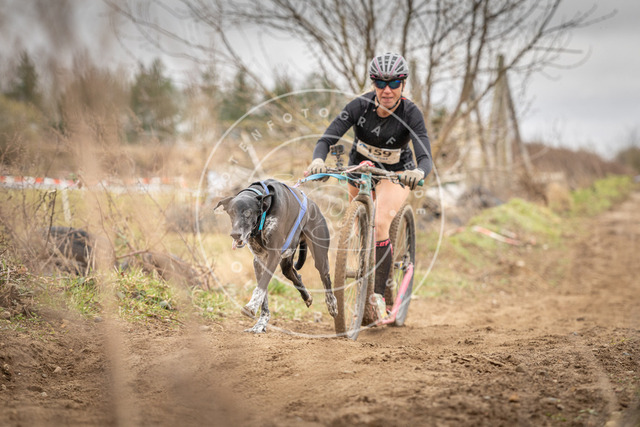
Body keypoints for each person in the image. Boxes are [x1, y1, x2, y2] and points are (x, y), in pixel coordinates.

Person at [306, 52, 433, 320]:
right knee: (358, 226)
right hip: (360, 169)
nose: (387, 90)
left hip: (396, 174)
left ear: (403, 84)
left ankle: (379, 294)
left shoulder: (410, 113)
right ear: (373, 83)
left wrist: (419, 172)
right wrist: (318, 160)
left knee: (380, 222)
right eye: (380, 83)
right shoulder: (359, 106)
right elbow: (327, 138)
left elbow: (425, 155)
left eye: (394, 83)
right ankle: (362, 269)